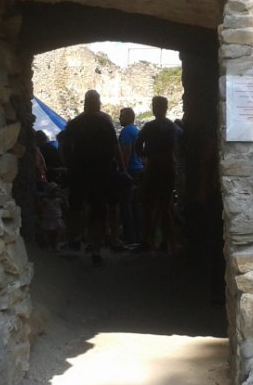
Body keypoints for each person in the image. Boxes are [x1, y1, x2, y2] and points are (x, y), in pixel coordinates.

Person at [59, 90, 128, 266]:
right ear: (97, 103)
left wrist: (69, 165)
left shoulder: (75, 123)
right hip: (100, 172)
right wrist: (122, 169)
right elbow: (115, 148)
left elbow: (64, 146)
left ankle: (75, 240)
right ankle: (96, 249)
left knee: (76, 206)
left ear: (85, 103)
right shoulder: (105, 124)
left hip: (79, 171)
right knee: (98, 210)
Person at [135, 96, 181, 253]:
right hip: (168, 167)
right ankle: (168, 242)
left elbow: (138, 144)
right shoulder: (173, 127)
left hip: (153, 167)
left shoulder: (150, 126)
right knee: (165, 207)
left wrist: (144, 157)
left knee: (148, 205)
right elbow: (182, 143)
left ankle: (147, 240)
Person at [117, 107, 143, 245]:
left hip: (130, 170)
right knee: (135, 205)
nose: (119, 118)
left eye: (121, 115)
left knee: (125, 205)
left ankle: (129, 237)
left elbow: (126, 152)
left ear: (128, 116)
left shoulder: (126, 131)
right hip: (138, 169)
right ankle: (138, 235)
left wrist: (122, 170)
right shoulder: (135, 130)